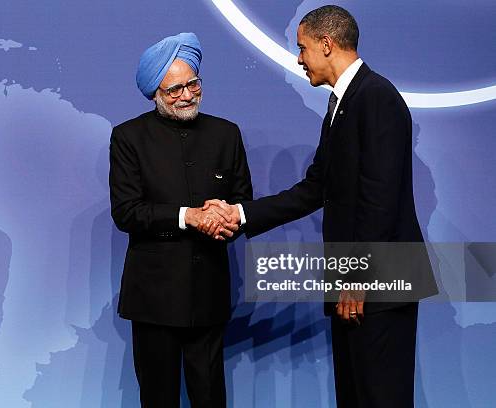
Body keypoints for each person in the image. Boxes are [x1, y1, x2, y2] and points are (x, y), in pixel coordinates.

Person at [203, 6, 437, 407]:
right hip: (362, 283)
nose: (298, 58)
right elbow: (315, 189)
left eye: (303, 48)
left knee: (381, 397)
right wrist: (240, 214)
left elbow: (379, 199)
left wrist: (356, 279)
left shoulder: (376, 97)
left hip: (380, 284)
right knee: (355, 395)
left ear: (326, 45)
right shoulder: (342, 104)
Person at [109, 32, 253, 407]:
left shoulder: (227, 134)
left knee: (211, 399)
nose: (186, 95)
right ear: (155, 92)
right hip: (154, 300)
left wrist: (223, 221)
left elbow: (243, 204)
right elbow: (127, 211)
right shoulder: (128, 138)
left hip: (209, 295)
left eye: (193, 84)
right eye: (174, 90)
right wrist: (189, 217)